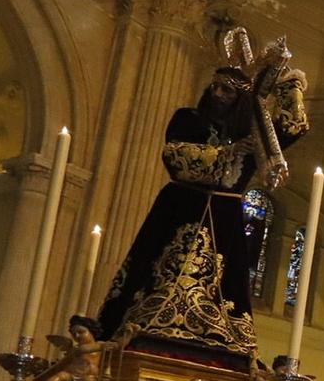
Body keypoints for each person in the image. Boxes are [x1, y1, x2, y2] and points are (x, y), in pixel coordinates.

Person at [96, 53, 307, 358]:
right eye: (215, 87)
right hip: (182, 206)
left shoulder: (254, 131)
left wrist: (288, 86)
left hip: (224, 216)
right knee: (154, 272)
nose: (218, 95)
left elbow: (294, 126)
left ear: (241, 99)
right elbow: (175, 155)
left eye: (228, 90)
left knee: (224, 285)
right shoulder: (188, 119)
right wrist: (229, 152)